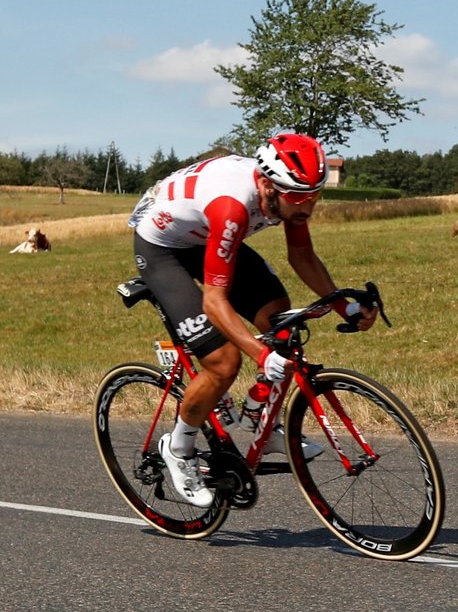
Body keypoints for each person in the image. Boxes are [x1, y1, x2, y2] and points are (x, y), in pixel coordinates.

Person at [128, 133, 376, 507]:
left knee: (283, 323)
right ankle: (179, 447)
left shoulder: (290, 194)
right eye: (298, 198)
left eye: (314, 196)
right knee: (223, 362)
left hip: (205, 237)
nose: (306, 206)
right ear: (265, 185)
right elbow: (214, 301)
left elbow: (303, 254)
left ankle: (263, 422)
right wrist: (261, 355)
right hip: (164, 250)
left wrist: (346, 306)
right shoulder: (233, 206)